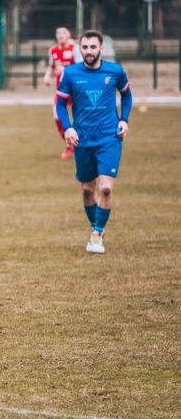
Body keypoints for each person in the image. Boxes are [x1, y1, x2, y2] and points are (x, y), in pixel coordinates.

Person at [56, 30, 132, 254]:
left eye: (93, 47)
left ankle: (97, 233)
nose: (89, 51)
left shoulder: (115, 71)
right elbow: (60, 104)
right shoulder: (70, 74)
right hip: (83, 138)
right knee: (88, 190)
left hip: (110, 136)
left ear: (101, 49)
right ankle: (95, 227)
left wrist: (124, 120)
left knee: (106, 188)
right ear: (80, 49)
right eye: (85, 47)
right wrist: (68, 127)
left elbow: (126, 95)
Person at [44, 26, 83, 160]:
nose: (60, 35)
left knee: (81, 117)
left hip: (76, 90)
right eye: (58, 33)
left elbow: (81, 68)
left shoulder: (75, 49)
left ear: (69, 35)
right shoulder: (53, 50)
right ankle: (70, 145)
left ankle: (84, 144)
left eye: (63, 33)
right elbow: (52, 66)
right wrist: (47, 76)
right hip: (62, 90)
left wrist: (65, 70)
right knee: (57, 116)